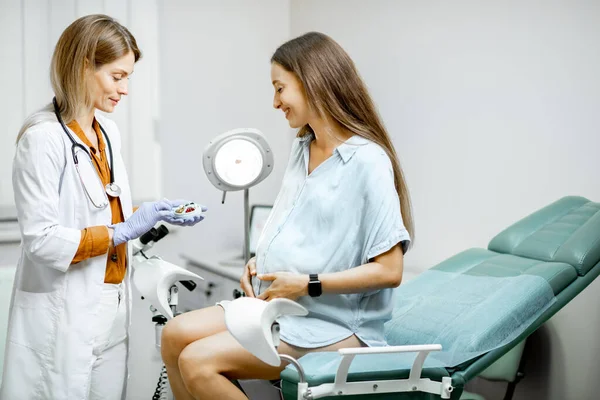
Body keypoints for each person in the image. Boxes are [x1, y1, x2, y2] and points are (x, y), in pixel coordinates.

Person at [160, 31, 414, 400]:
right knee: (174, 334)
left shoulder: (368, 162)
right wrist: (257, 260)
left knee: (198, 361)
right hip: (284, 308)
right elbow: (300, 230)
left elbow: (390, 272)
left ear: (313, 82)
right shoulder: (302, 148)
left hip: (333, 326)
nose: (275, 101)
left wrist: (308, 283)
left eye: (280, 88)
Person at [0, 14, 205, 400]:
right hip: (64, 314)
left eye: (128, 77)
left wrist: (152, 215)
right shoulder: (42, 139)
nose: (125, 89)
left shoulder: (107, 133)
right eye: (117, 76)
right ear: (82, 67)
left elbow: (104, 214)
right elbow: (42, 241)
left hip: (111, 306)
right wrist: (119, 232)